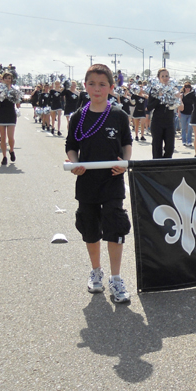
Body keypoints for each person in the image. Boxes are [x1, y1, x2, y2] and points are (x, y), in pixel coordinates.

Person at [66, 64, 133, 303]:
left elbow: (127, 144)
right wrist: (75, 164)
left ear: (111, 88)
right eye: (92, 84)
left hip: (112, 180)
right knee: (90, 227)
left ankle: (116, 278)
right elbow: (71, 147)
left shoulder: (119, 115)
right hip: (87, 182)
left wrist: (124, 163)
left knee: (115, 227)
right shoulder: (78, 117)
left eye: (102, 84)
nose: (97, 89)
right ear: (85, 86)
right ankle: (96, 271)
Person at [0, 71, 21, 166]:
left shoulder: (15, 89)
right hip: (1, 113)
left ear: (11, 79)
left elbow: (17, 102)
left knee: (11, 137)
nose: (8, 80)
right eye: (6, 78)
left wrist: (18, 101)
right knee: (3, 138)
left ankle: (11, 150)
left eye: (9, 78)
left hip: (11, 114)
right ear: (3, 79)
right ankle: (4, 156)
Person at [148, 68, 175, 159]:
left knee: (170, 147)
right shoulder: (154, 89)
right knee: (157, 147)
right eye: (162, 76)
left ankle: (166, 165)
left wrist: (177, 97)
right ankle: (157, 165)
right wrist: (159, 97)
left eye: (166, 76)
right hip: (157, 122)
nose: (165, 78)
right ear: (158, 78)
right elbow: (149, 107)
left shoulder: (173, 89)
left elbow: (178, 104)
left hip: (169, 121)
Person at [178, 83, 194, 148]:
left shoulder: (192, 95)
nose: (187, 89)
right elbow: (179, 104)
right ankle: (184, 141)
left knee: (190, 127)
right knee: (183, 128)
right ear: (184, 88)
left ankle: (189, 141)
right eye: (186, 87)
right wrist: (179, 112)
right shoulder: (182, 95)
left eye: (188, 87)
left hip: (191, 113)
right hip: (183, 113)